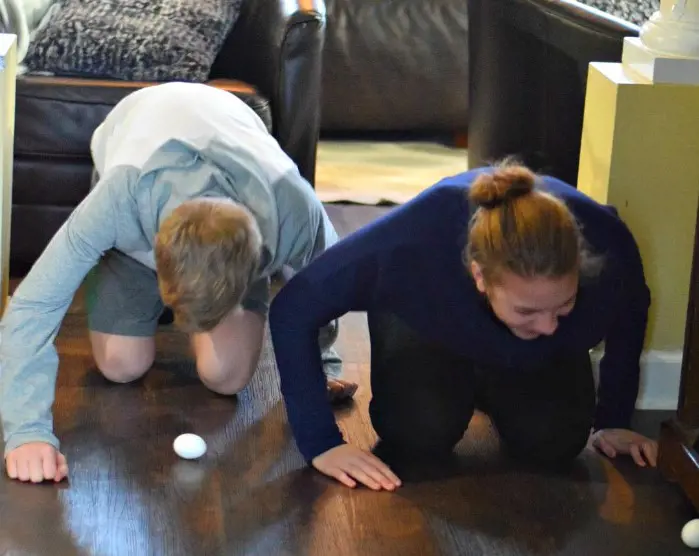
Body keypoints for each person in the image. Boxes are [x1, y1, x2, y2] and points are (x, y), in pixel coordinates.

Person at [1, 82, 357, 484]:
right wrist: (26, 432)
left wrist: (324, 365)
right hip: (137, 148)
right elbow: (34, 305)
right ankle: (126, 278)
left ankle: (215, 314)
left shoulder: (291, 205)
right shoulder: (118, 199)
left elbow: (330, 285)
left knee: (226, 378)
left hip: (231, 151)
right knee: (121, 365)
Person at [269, 161, 657, 492]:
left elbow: (631, 312)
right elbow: (292, 309)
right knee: (417, 432)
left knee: (554, 441)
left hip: (520, 352)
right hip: (429, 321)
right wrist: (321, 442)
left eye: (563, 307)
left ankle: (490, 381)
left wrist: (614, 420)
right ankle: (460, 382)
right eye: (527, 311)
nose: (549, 326)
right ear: (480, 277)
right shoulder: (410, 242)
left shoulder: (609, 247)